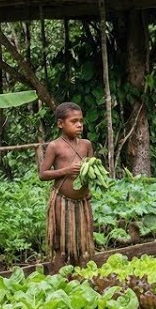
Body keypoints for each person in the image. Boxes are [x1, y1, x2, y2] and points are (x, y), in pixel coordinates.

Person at [39, 102, 96, 270]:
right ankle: (57, 280)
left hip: (82, 202)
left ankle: (79, 279)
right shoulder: (55, 146)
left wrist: (89, 188)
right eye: (74, 121)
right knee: (60, 244)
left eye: (81, 121)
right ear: (60, 123)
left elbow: (91, 171)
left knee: (80, 244)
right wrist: (67, 170)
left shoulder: (86, 145)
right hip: (61, 201)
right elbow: (43, 174)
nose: (79, 125)